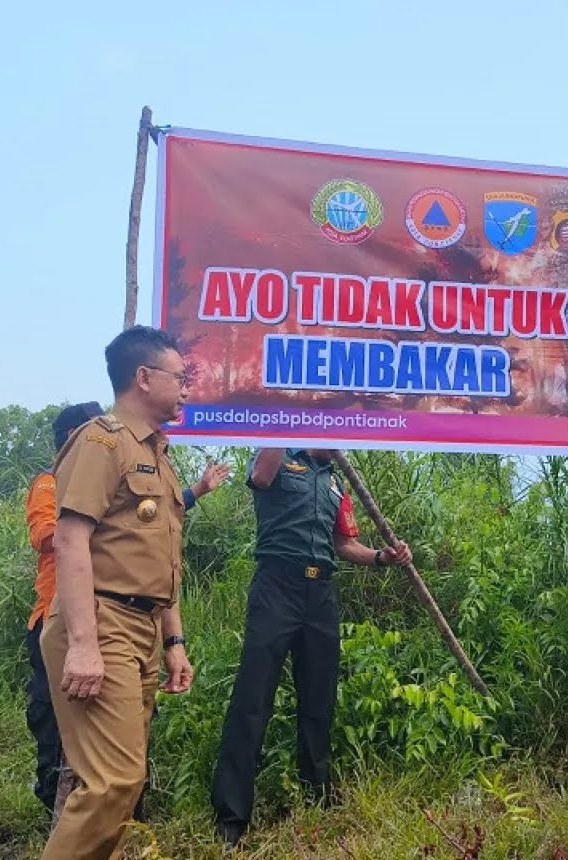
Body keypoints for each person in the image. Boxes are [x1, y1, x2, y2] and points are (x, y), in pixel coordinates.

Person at [39, 326, 231, 860]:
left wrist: (174, 643)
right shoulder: (101, 442)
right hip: (101, 622)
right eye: (181, 376)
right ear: (143, 378)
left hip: (143, 628)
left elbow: (161, 564)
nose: (189, 387)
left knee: (123, 782)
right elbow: (71, 539)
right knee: (113, 781)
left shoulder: (160, 458)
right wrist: (83, 643)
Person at [210, 448, 413, 848]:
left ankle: (315, 798)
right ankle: (231, 818)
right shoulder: (277, 455)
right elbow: (261, 480)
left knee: (319, 702)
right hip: (275, 587)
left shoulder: (336, 478)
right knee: (253, 701)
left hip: (320, 593)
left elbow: (343, 542)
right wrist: (288, 412)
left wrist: (381, 557)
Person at [25, 401, 105, 813]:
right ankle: (53, 803)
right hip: (54, 617)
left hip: (107, 616)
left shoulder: (109, 483)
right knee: (53, 717)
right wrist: (86, 523)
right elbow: (44, 535)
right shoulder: (49, 484)